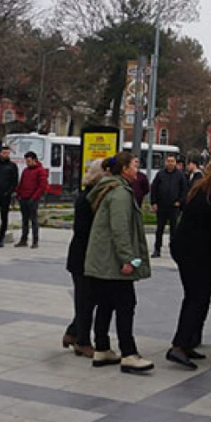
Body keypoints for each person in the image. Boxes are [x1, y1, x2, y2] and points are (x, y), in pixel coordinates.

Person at [84, 151, 155, 374]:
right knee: (126, 305)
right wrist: (129, 260)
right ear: (124, 169)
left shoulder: (108, 188)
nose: (138, 170)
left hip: (102, 261)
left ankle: (102, 348)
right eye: (135, 165)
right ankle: (129, 354)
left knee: (105, 303)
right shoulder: (120, 194)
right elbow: (120, 230)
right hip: (114, 262)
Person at [167, 161, 211, 370]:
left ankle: (185, 343)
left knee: (196, 299)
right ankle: (179, 346)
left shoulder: (202, 192)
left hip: (188, 253)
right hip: (195, 257)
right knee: (197, 299)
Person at [63, 159, 112, 357]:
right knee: (85, 299)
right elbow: (82, 230)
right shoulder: (87, 198)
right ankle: (83, 342)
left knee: (90, 298)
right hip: (82, 256)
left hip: (86, 255)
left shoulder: (94, 196)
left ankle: (73, 332)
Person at [150, 154, 188, 258]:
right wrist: (153, 202)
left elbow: (184, 190)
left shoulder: (180, 175)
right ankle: (157, 250)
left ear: (175, 163)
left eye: (172, 161)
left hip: (174, 207)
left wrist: (180, 201)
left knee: (174, 230)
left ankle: (174, 250)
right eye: (168, 161)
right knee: (159, 229)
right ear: (165, 162)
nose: (170, 163)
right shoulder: (160, 174)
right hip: (162, 206)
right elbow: (154, 189)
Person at [15, 151, 48, 248]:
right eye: (26, 161)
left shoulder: (41, 171)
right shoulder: (25, 171)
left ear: (34, 160)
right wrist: (18, 194)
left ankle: (35, 241)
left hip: (33, 199)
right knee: (24, 220)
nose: (27, 163)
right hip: (23, 198)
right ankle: (23, 239)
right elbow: (21, 184)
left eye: (29, 161)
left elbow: (42, 186)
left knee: (34, 220)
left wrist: (34, 198)